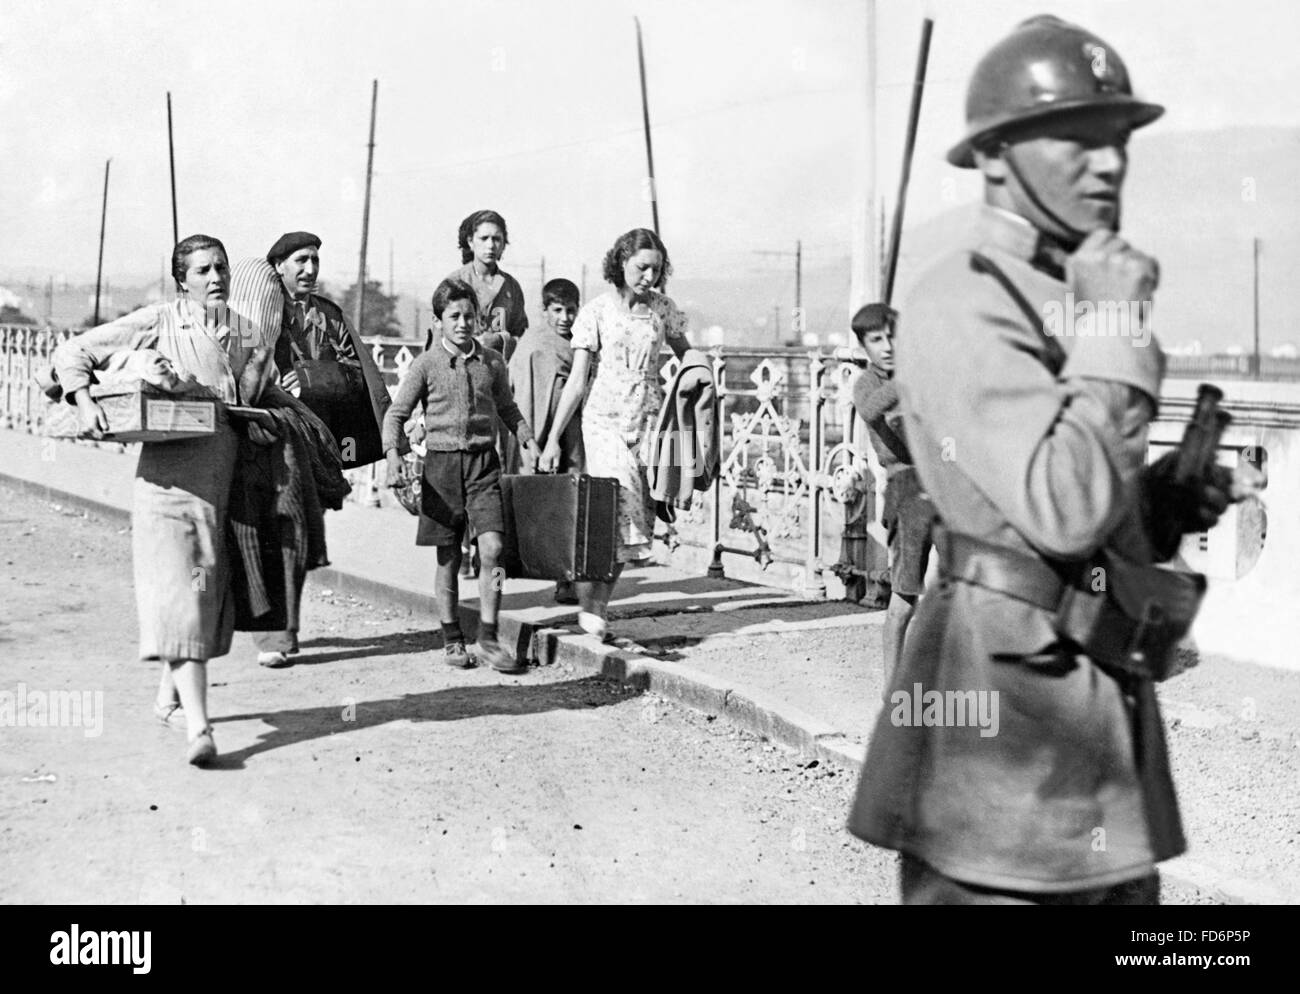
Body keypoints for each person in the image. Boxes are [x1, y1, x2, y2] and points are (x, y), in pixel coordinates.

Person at [846, 15, 1256, 904]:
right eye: (1077, 139)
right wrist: (1114, 326)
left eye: (1117, 141)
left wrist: (1165, 498)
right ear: (996, 154)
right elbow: (1060, 509)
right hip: (1001, 722)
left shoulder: (1072, 288)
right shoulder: (962, 299)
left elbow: (1084, 501)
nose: (1109, 164)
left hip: (1093, 708)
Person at [53, 234, 268, 767]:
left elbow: (252, 395)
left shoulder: (246, 332)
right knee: (183, 598)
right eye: (202, 271)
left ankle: (166, 699)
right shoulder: (161, 320)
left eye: (220, 267)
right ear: (182, 281)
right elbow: (72, 352)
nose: (215, 278)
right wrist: (82, 401)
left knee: (204, 596)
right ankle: (200, 728)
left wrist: (270, 413)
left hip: (219, 486)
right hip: (166, 490)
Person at [539, 228, 691, 640]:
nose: (649, 276)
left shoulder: (664, 310)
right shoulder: (596, 312)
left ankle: (597, 607)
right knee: (616, 510)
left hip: (648, 423)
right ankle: (590, 607)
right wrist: (553, 439)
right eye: (642, 267)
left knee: (635, 520)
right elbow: (576, 381)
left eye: (656, 270)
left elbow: (688, 356)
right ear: (621, 262)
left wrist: (702, 380)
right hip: (603, 422)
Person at [382, 278, 539, 672]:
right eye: (454, 316)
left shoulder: (492, 362)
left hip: (484, 465)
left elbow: (508, 407)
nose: (464, 323)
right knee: (449, 558)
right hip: (442, 468)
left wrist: (526, 437)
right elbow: (396, 415)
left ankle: (488, 635)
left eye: (470, 315)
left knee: (493, 550)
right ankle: (453, 638)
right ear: (438, 322)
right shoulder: (426, 365)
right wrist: (392, 456)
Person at [255, 231, 395, 668]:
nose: (310, 269)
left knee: (297, 531)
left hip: (314, 439)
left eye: (315, 260)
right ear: (278, 266)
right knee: (266, 528)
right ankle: (267, 627)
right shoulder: (260, 312)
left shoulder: (330, 316)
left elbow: (359, 373)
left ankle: (283, 630)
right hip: (264, 433)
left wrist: (313, 377)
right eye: (300, 260)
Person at [849, 302, 936, 686]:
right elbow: (869, 412)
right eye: (877, 340)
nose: (888, 346)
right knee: (905, 594)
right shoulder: (869, 384)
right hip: (906, 491)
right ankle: (891, 688)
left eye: (894, 338)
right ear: (864, 345)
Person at [506, 277, 586, 605]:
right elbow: (516, 383)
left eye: (570, 310)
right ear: (544, 311)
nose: (565, 317)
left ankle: (566, 578)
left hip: (573, 430)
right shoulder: (534, 340)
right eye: (558, 310)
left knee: (572, 499)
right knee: (536, 501)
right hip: (535, 430)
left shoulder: (581, 342)